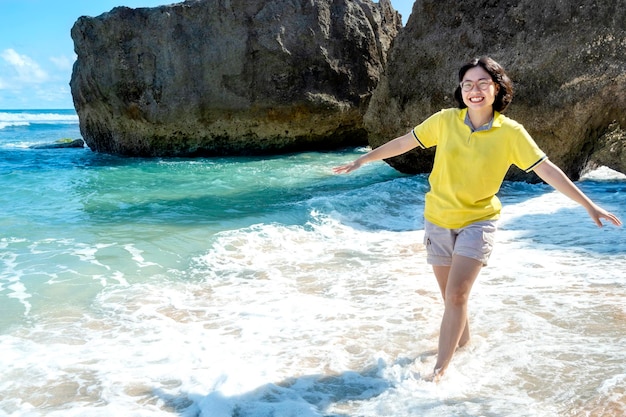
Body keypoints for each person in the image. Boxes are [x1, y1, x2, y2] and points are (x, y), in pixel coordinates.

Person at [333, 56, 622, 381]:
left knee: (456, 296)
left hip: (478, 222)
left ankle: (439, 371)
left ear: (497, 88)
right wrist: (363, 159)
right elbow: (405, 142)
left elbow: (547, 170)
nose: (475, 90)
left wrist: (588, 204)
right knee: (451, 298)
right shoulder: (445, 121)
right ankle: (465, 343)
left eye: (483, 83)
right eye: (468, 84)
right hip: (438, 219)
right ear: (461, 90)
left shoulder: (511, 133)